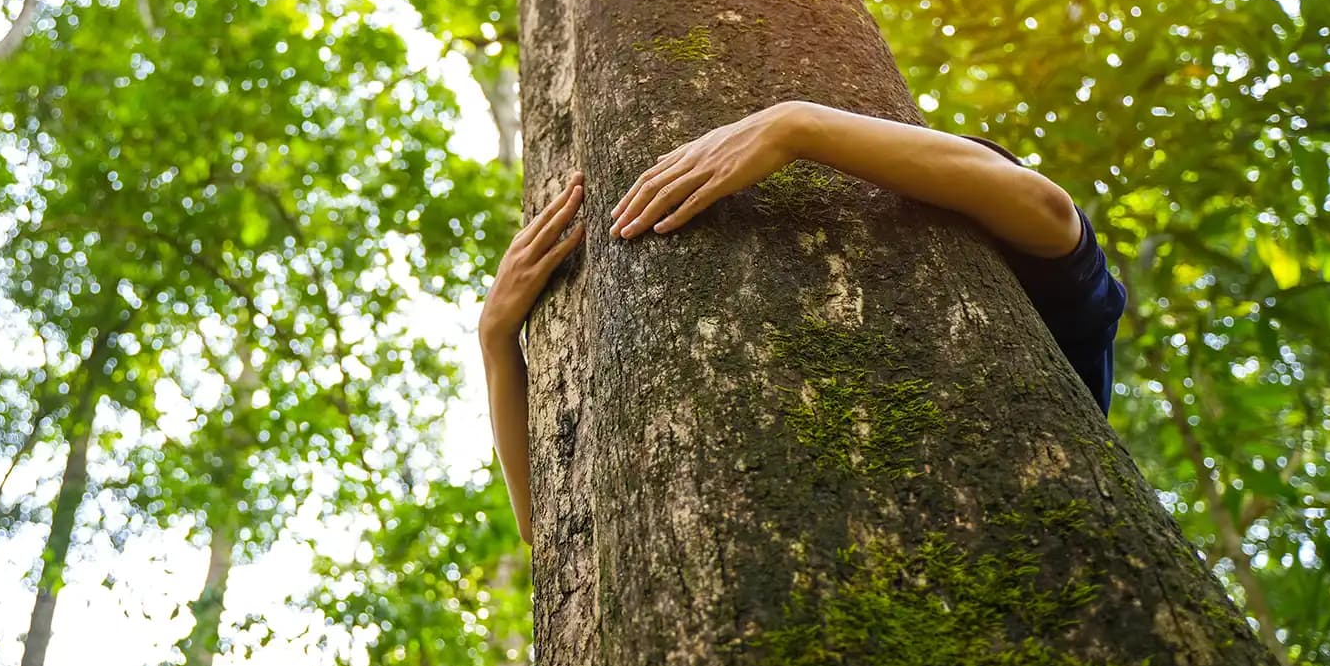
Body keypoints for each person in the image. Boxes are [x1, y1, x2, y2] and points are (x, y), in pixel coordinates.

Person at [477, 99, 1127, 544]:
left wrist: (797, 127)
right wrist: (496, 340)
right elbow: (547, 521)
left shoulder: (1058, 320)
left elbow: (1045, 208)